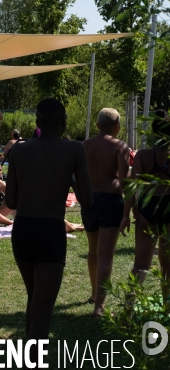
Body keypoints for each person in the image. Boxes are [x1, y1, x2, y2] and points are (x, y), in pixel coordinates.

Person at [5, 98, 93, 362]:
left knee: (34, 299)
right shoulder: (74, 149)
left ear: (37, 123)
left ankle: (26, 358)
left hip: (23, 230)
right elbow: (88, 200)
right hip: (51, 230)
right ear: (63, 121)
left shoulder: (19, 151)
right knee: (43, 312)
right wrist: (71, 179)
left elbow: (10, 202)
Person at [81, 108, 130, 317]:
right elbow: (126, 181)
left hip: (89, 201)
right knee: (106, 255)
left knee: (93, 251)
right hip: (111, 200)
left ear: (98, 126)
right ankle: (99, 306)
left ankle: (94, 294)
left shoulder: (84, 146)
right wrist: (129, 210)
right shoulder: (120, 147)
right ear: (117, 127)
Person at [121, 110, 170, 298]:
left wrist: (125, 215)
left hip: (147, 210)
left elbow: (132, 188)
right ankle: (167, 310)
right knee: (167, 267)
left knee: (141, 266)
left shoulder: (142, 156)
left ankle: (128, 311)